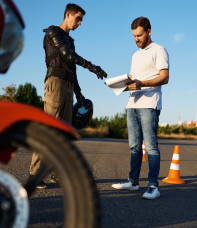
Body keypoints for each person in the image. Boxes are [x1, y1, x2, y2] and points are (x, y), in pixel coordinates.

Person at [29, 3, 107, 189]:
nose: (80, 23)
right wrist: (91, 66)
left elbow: (72, 68)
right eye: (78, 18)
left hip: (69, 85)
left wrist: (79, 94)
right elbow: (66, 54)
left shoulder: (71, 40)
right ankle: (34, 174)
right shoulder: (52, 32)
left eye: (81, 20)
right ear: (68, 14)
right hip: (55, 82)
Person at [112, 17, 169, 199]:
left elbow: (165, 77)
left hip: (149, 105)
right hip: (132, 104)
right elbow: (135, 81)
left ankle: (153, 186)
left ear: (149, 31)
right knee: (134, 146)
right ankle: (133, 182)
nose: (136, 39)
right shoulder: (135, 55)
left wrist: (142, 83)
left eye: (140, 35)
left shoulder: (159, 50)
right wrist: (125, 85)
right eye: (134, 36)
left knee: (151, 147)